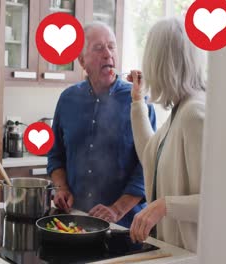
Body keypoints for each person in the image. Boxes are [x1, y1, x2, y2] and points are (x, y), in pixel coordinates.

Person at [47, 22, 157, 228]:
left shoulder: (138, 101)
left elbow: (148, 166)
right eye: (98, 48)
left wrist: (116, 209)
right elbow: (56, 155)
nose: (108, 54)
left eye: (111, 46)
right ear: (82, 61)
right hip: (76, 219)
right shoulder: (67, 99)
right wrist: (62, 188)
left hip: (125, 226)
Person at [128, 17, 207, 252]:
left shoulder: (195, 113)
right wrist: (137, 101)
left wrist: (164, 206)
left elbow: (218, 201)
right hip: (173, 252)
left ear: (158, 62)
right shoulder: (180, 109)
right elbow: (149, 155)